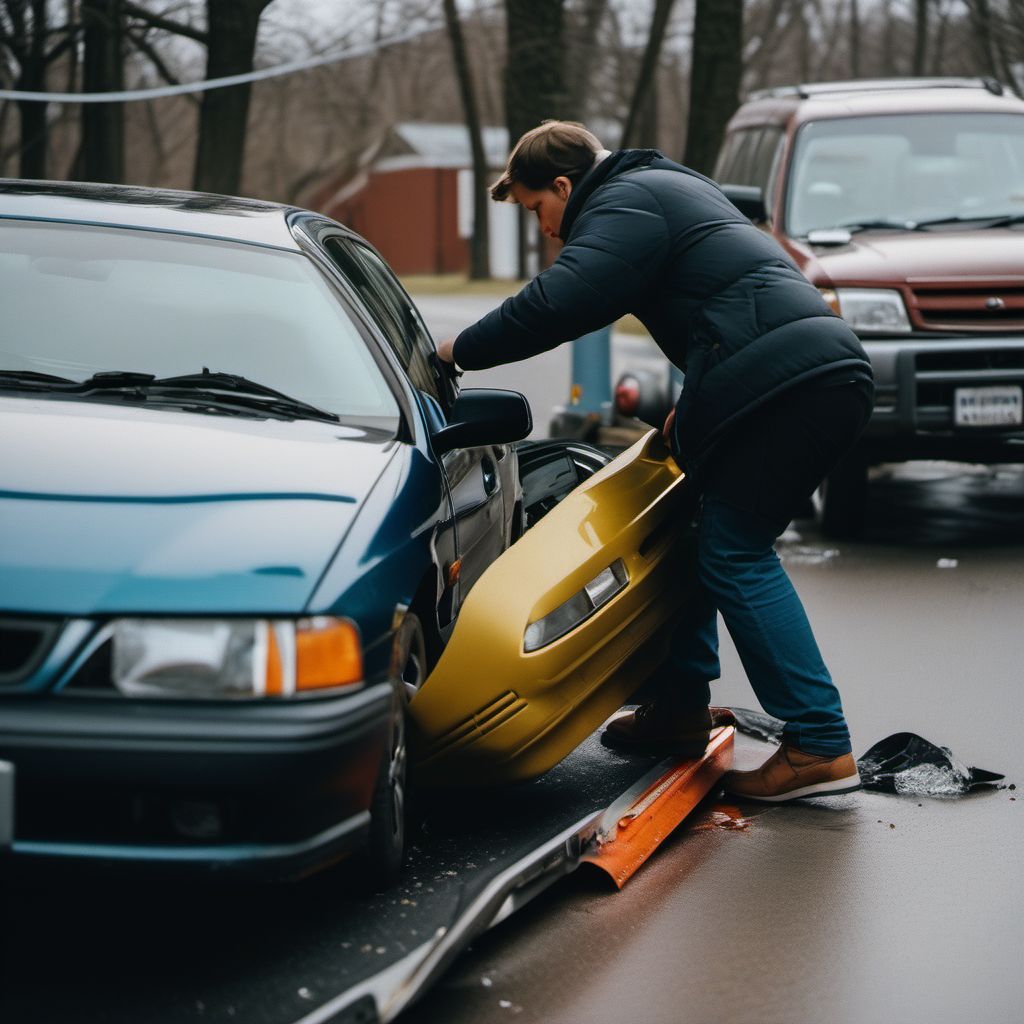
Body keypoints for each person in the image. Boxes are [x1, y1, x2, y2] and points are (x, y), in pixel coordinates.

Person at [437, 120, 874, 802]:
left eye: (537, 210)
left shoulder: (625, 202)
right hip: (797, 375)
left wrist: (455, 352)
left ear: (563, 184)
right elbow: (722, 305)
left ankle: (819, 742)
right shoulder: (660, 186)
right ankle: (679, 710)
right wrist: (700, 403)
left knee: (736, 552)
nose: (546, 229)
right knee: (702, 534)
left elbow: (561, 303)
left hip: (789, 384)